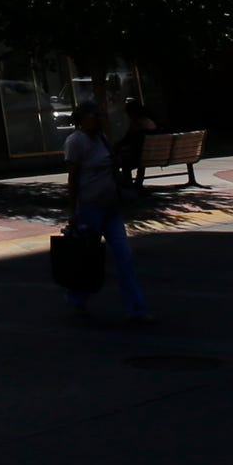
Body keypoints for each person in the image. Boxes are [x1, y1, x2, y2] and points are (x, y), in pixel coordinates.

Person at [62, 100, 150, 322]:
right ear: (83, 120)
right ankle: (77, 298)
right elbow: (73, 178)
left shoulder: (102, 139)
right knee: (87, 257)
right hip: (90, 207)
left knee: (124, 257)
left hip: (110, 206)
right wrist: (73, 210)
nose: (98, 120)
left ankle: (136, 309)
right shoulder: (76, 141)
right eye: (94, 116)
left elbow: (113, 165)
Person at [113, 97, 159, 191]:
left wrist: (116, 147)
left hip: (139, 157)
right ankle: (137, 184)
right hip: (152, 155)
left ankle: (129, 185)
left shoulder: (137, 124)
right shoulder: (150, 122)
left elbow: (127, 139)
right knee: (139, 158)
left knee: (124, 163)